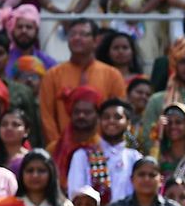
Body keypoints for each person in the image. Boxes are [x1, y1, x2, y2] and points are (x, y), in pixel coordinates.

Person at [39, 19, 129, 147]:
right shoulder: (52, 75)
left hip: (103, 150)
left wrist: (106, 146)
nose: (77, 38)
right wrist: (58, 146)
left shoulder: (112, 75)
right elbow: (47, 117)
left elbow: (119, 114)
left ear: (96, 41)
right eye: (73, 34)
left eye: (83, 34)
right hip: (62, 149)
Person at [67, 98, 140, 206]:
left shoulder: (135, 157)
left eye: (117, 117)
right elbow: (75, 193)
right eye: (106, 117)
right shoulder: (82, 155)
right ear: (99, 122)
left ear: (128, 123)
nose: (111, 121)